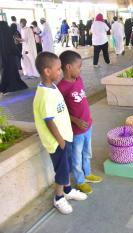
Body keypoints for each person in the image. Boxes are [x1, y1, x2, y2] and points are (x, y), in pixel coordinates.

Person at [33, 52, 87, 214]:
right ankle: (58, 198)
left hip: (65, 136)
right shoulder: (43, 95)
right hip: (57, 142)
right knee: (62, 170)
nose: (60, 72)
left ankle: (68, 191)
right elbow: (49, 121)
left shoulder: (52, 86)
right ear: (47, 71)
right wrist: (61, 142)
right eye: (57, 69)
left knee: (67, 165)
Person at [57, 50, 103, 194]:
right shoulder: (61, 87)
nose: (80, 70)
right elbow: (60, 111)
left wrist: (88, 117)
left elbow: (82, 102)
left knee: (86, 153)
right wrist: (75, 120)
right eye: (79, 66)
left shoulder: (79, 80)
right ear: (69, 67)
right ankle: (80, 180)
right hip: (76, 131)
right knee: (76, 157)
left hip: (88, 126)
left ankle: (87, 173)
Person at [0, 21, 27, 94]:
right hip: (11, 57)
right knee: (13, 72)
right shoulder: (8, 34)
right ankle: (13, 86)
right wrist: (19, 54)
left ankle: (4, 87)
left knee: (5, 72)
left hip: (3, 58)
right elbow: (12, 46)